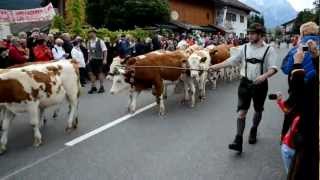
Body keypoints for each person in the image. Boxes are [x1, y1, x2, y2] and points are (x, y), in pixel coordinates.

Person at [210, 23, 278, 153]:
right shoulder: (244, 48)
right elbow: (232, 61)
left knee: (258, 110)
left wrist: (264, 76)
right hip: (245, 83)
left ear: (260, 35)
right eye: (249, 33)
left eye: (252, 33)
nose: (249, 35)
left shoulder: (269, 50)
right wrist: (215, 66)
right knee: (241, 112)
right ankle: (238, 140)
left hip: (260, 85)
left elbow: (273, 68)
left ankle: (253, 129)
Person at [280, 21, 319, 180]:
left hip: (301, 93)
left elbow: (286, 68)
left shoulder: (301, 47)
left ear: (302, 33)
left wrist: (296, 59)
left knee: (293, 133)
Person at [86, 28, 108, 94]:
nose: (90, 34)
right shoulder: (89, 42)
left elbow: (105, 50)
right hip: (92, 60)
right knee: (90, 73)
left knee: (100, 73)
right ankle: (94, 87)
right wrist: (88, 59)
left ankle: (101, 87)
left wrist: (105, 59)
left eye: (91, 32)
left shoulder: (100, 41)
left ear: (94, 33)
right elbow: (89, 52)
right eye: (89, 33)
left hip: (99, 59)